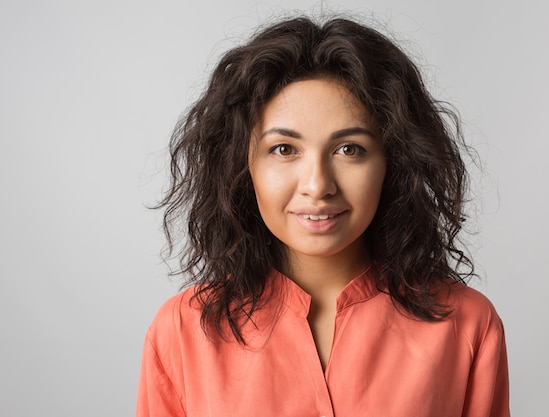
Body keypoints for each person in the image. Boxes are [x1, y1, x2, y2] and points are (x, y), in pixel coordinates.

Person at [137, 15, 510, 417]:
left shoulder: (467, 324)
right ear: (242, 166)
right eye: (283, 149)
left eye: (349, 149)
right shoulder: (181, 330)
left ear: (394, 163)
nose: (318, 185)